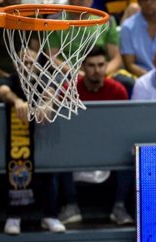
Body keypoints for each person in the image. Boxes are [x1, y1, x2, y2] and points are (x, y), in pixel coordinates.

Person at [57, 45, 135, 226]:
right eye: (91, 65)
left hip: (109, 147)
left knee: (130, 152)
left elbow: (123, 128)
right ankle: (71, 206)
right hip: (76, 146)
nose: (97, 70)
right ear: (83, 67)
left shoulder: (118, 91)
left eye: (101, 65)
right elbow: (63, 127)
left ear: (106, 65)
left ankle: (119, 207)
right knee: (58, 151)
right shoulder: (69, 90)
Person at [0, 49, 66, 235]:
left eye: (31, 64)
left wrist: (48, 103)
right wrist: (17, 101)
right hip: (17, 143)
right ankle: (14, 216)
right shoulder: (10, 81)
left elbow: (52, 92)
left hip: (44, 143)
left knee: (50, 171)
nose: (28, 67)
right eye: (24, 63)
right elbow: (3, 91)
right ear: (16, 65)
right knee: (16, 171)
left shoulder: (44, 81)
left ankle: (50, 215)